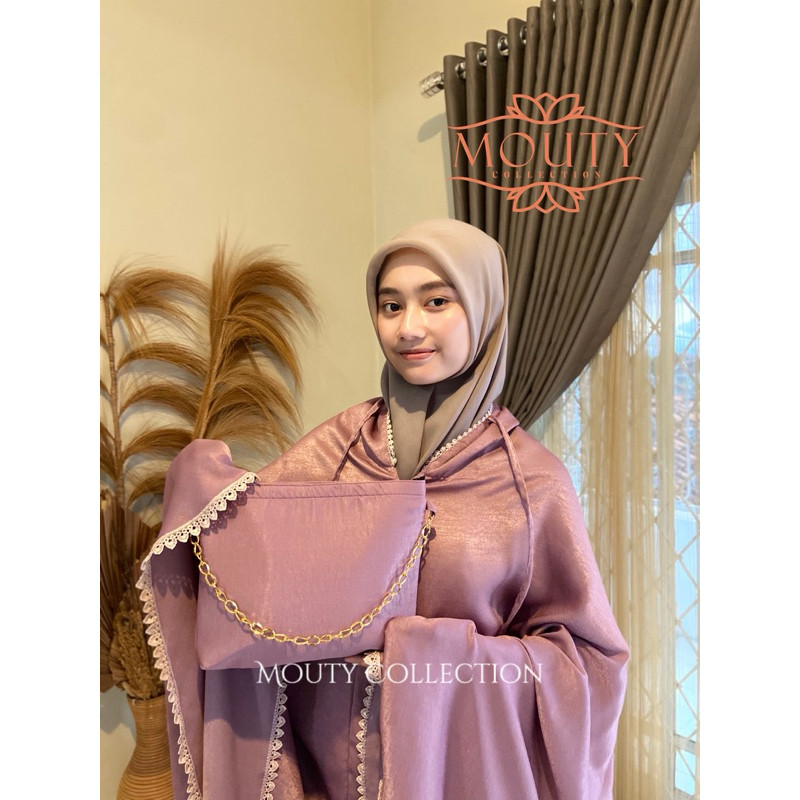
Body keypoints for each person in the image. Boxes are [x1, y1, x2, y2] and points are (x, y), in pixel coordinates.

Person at [138, 218, 629, 800]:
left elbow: (588, 668)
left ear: (485, 310)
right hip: (325, 776)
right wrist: (202, 488)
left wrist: (432, 657)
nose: (408, 327)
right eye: (390, 305)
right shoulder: (338, 450)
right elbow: (249, 563)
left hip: (451, 779)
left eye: (437, 301)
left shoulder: (531, 483)